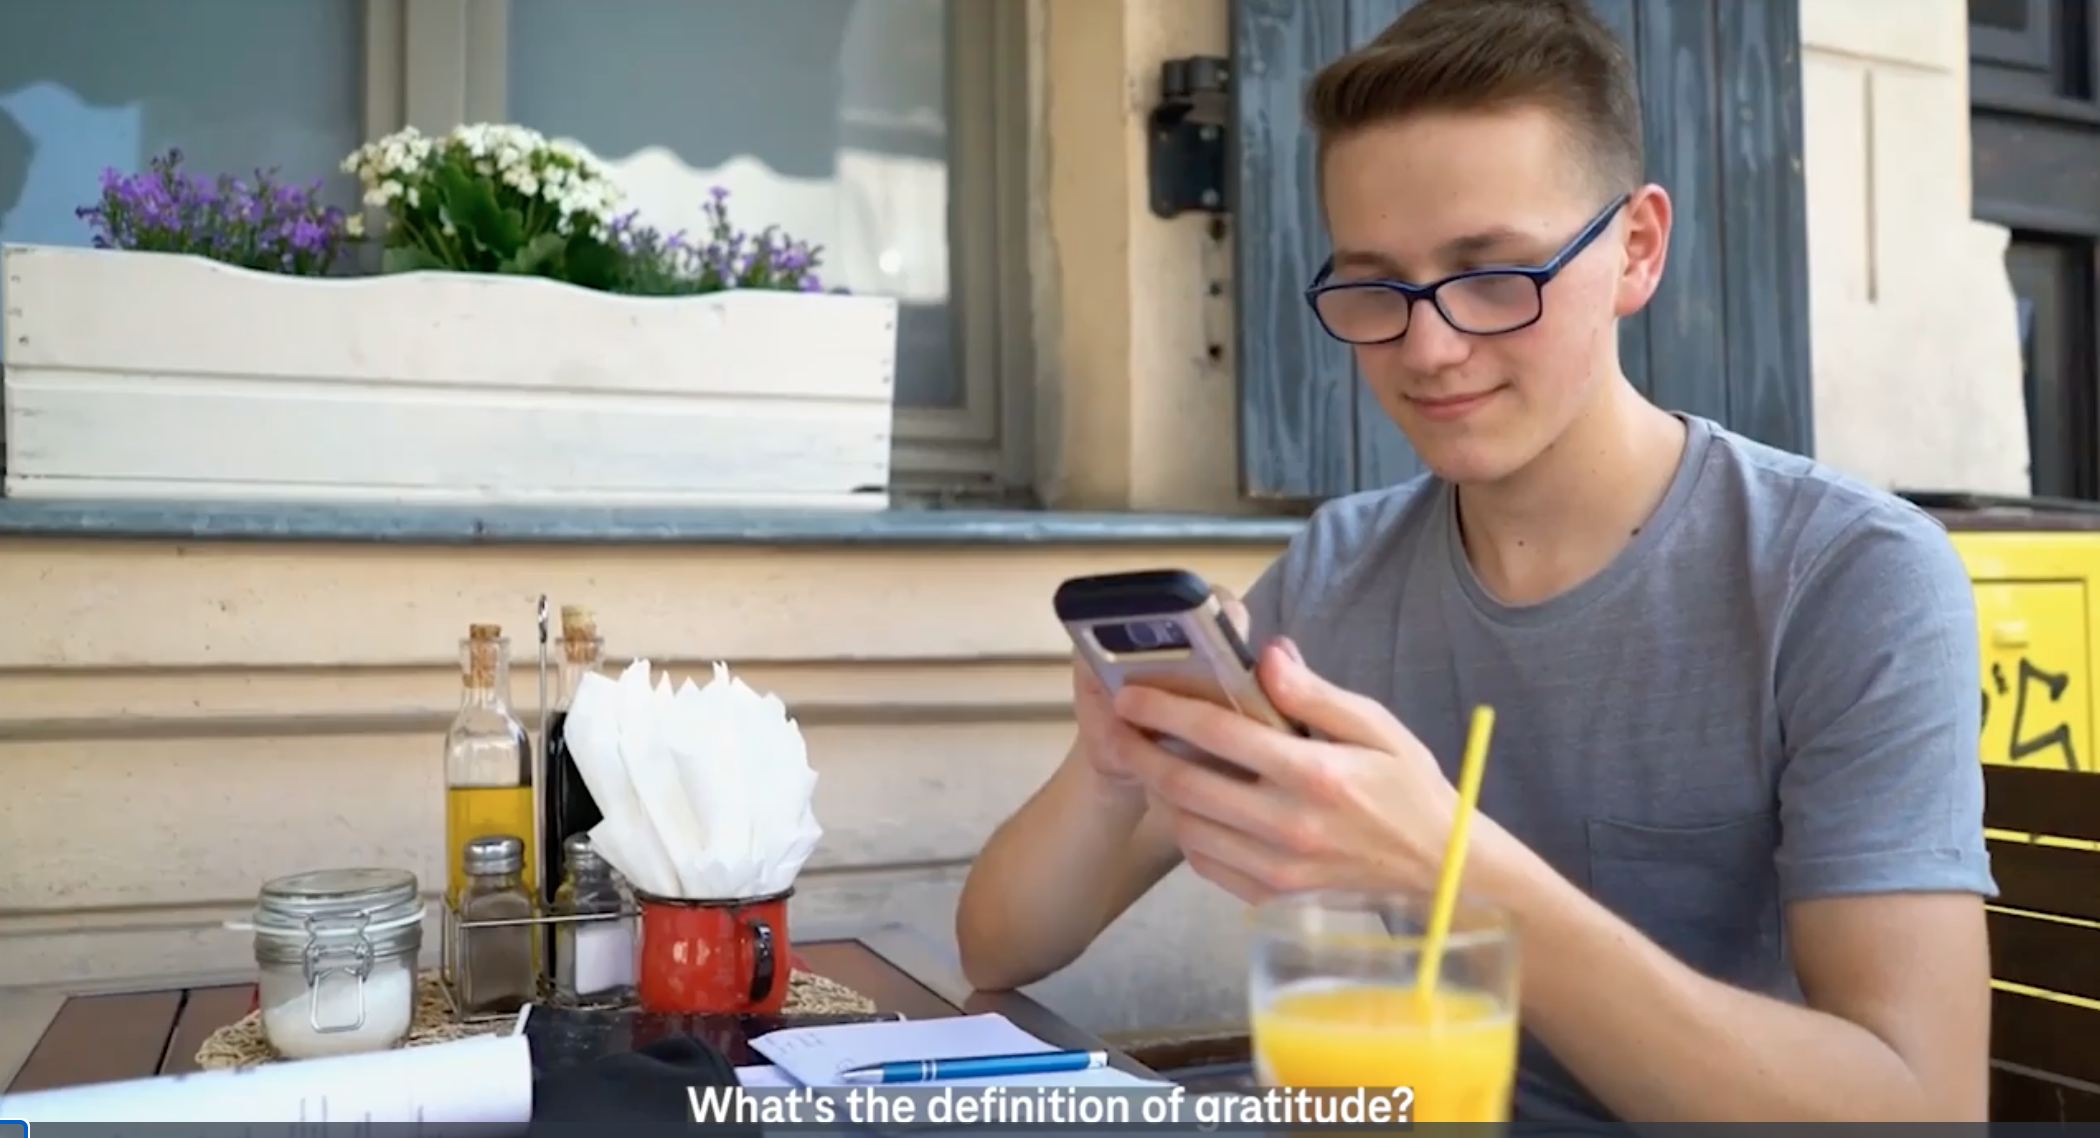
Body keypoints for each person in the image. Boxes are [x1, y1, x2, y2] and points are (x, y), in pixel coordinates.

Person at [954, 0, 1994, 1127]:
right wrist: (1112, 777)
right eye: (1374, 287)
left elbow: (1922, 1106)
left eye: (1494, 275)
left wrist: (1443, 863)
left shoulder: (1845, 579)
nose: (1430, 347)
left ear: (1635, 249)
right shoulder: (1339, 572)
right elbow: (1001, 943)